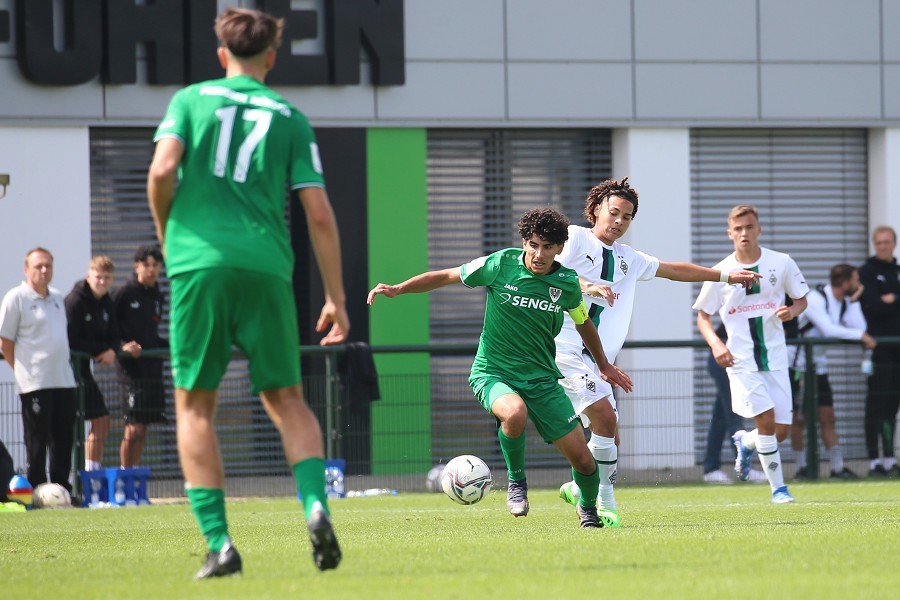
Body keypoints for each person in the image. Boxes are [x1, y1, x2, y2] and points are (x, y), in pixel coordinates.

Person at [147, 7, 349, 579]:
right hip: (266, 268)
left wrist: (169, 238)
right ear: (271, 57)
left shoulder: (190, 99)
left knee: (194, 405)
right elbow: (320, 215)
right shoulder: (290, 116)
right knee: (288, 399)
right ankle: (314, 505)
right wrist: (334, 295)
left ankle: (220, 544)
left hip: (198, 266)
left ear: (221, 55)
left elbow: (162, 171)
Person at [368, 207, 634, 528]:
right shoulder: (500, 264)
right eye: (534, 245)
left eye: (548, 247)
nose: (539, 254)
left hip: (543, 380)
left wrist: (603, 364)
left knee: (583, 459)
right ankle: (516, 482)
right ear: (524, 242)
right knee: (514, 412)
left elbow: (584, 324)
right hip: (493, 371)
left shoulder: (565, 283)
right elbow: (447, 275)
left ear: (560, 249)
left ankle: (588, 510)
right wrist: (399, 288)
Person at [553, 179, 759, 520]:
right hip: (562, 350)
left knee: (611, 440)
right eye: (613, 212)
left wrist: (725, 276)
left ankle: (579, 486)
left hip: (596, 359)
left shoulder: (627, 258)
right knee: (604, 417)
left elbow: (674, 269)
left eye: (627, 217)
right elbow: (546, 268)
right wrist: (586, 284)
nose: (619, 221)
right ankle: (601, 504)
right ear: (595, 210)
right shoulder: (574, 238)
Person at [694, 205, 809, 504]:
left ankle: (745, 441)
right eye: (738, 228)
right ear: (729, 233)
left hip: (775, 356)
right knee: (767, 420)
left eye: (749, 227)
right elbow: (703, 317)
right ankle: (779, 489)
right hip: (740, 358)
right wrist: (717, 345)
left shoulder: (781, 263)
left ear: (759, 229)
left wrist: (791, 311)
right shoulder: (721, 272)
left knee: (780, 431)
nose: (744, 233)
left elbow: (801, 300)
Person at [0, 248, 78, 496]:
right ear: (27, 270)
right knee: (37, 442)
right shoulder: (16, 298)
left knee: (64, 439)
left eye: (48, 266)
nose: (44, 270)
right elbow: (5, 342)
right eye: (38, 266)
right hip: (35, 383)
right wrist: (23, 371)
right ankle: (35, 493)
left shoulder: (57, 297)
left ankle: (61, 491)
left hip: (64, 381)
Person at [788, 264, 874, 480]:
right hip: (797, 364)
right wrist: (860, 336)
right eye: (855, 280)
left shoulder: (845, 302)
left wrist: (854, 301)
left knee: (828, 416)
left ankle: (837, 468)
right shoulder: (816, 299)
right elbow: (829, 330)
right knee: (799, 419)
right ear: (845, 282)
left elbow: (859, 327)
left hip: (819, 366)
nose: (858, 284)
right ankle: (802, 467)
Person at [65, 256, 141, 472]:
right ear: (89, 276)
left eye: (107, 277)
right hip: (66, 371)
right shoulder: (75, 301)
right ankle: (67, 482)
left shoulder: (107, 301)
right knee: (64, 429)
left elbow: (115, 335)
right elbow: (70, 340)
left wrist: (112, 350)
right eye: (98, 276)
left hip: (83, 371)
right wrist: (102, 351)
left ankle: (91, 476)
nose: (102, 281)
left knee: (101, 420)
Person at [112, 244, 169, 468]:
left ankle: (134, 476)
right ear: (137, 266)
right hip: (130, 372)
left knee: (143, 428)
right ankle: (124, 478)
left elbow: (152, 335)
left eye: (155, 266)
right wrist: (122, 346)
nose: (151, 270)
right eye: (146, 265)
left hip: (151, 370)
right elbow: (110, 328)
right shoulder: (124, 293)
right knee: (133, 428)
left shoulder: (157, 296)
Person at [857, 225, 900, 478]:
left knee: (892, 406)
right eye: (879, 242)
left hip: (897, 350)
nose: (883, 246)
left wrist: (893, 298)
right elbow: (873, 305)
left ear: (894, 244)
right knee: (876, 403)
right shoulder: (867, 272)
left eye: (887, 242)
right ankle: (874, 460)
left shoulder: (896, 271)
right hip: (878, 349)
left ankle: (890, 458)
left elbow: (887, 303)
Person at [702, 325, 763, 483]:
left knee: (720, 418)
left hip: (737, 362)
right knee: (734, 414)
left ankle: (711, 468)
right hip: (726, 361)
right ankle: (744, 468)